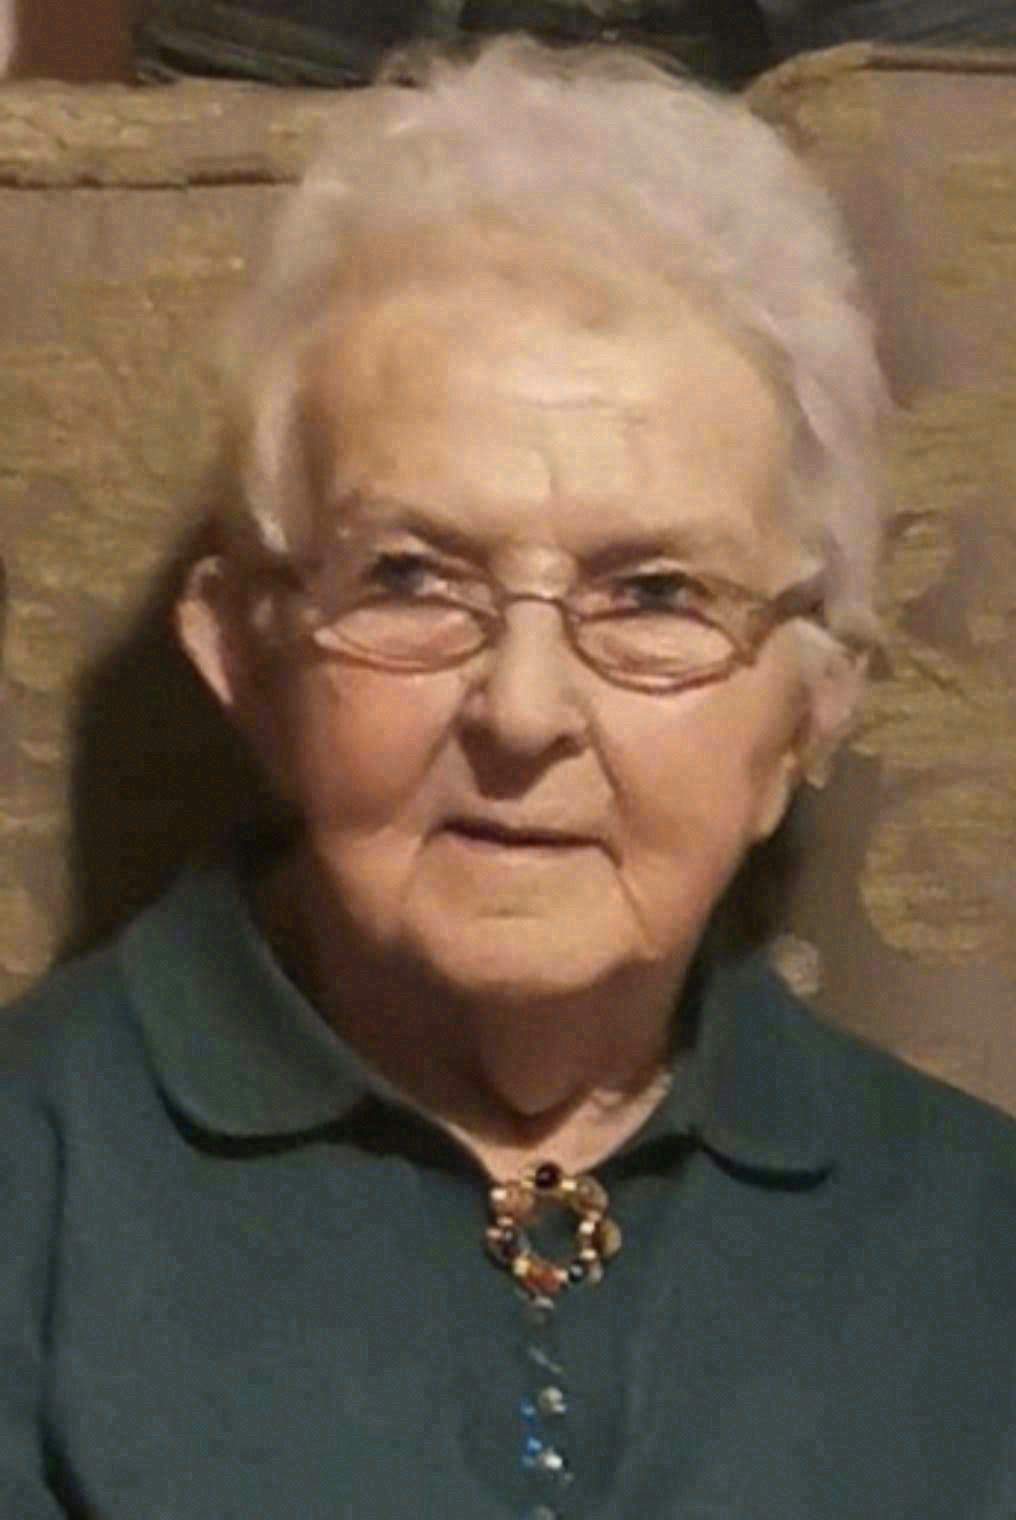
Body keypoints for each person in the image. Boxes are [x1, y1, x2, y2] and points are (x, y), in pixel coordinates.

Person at [1, 38, 1014, 1520]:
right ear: (246, 659)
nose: (524, 714)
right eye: (412, 577)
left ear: (812, 709)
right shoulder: (36, 1193)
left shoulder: (978, 1243)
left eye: (656, 594)